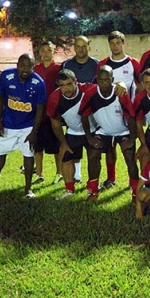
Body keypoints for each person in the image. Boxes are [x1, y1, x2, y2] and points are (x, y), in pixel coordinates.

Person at [0, 53, 46, 198]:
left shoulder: (38, 83)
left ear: (34, 67)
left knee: (28, 155)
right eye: (22, 65)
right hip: (8, 124)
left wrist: (34, 132)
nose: (25, 69)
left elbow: (40, 108)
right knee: (0, 154)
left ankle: (28, 189)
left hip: (27, 125)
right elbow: (0, 99)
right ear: (17, 65)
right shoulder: (6, 76)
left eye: (29, 66)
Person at [79, 65, 138, 202]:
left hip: (123, 130)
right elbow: (83, 115)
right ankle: (93, 191)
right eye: (101, 79)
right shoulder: (91, 93)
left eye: (107, 80)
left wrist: (132, 138)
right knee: (92, 154)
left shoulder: (120, 93)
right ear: (97, 79)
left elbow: (131, 117)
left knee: (130, 157)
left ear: (112, 79)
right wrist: (89, 137)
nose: (104, 83)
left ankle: (135, 193)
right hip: (103, 131)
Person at [97, 31, 141, 189]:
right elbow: (98, 87)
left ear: (123, 43)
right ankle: (111, 179)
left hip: (128, 113)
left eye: (118, 43)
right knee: (109, 147)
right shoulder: (102, 64)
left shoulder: (133, 63)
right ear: (109, 44)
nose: (115, 46)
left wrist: (136, 108)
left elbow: (140, 85)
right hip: (107, 112)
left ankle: (133, 182)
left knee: (129, 149)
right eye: (112, 43)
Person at [46, 69, 97, 200]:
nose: (66, 89)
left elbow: (106, 87)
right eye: (62, 85)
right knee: (66, 158)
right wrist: (63, 143)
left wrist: (121, 85)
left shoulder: (88, 89)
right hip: (73, 131)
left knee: (93, 158)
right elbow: (55, 123)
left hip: (93, 130)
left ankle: (93, 189)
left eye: (69, 84)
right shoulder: (54, 98)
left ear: (75, 82)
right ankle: (69, 190)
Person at [60, 35, 100, 183]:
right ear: (74, 48)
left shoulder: (96, 64)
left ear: (89, 47)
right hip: (71, 110)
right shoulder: (66, 65)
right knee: (73, 145)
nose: (81, 49)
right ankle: (76, 174)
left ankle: (93, 182)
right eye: (78, 46)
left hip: (91, 112)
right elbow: (61, 88)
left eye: (84, 46)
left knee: (93, 149)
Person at [33, 41, 62, 185]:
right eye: (42, 50)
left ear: (53, 51)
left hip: (53, 112)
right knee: (37, 146)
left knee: (56, 146)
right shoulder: (34, 69)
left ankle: (59, 173)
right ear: (39, 52)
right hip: (38, 112)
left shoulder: (58, 68)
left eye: (48, 50)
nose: (45, 53)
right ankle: (39, 174)